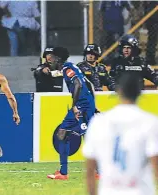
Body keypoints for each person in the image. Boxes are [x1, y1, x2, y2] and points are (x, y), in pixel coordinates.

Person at [83, 72, 158, 195]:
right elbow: (156, 165)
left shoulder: (99, 122)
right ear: (140, 93)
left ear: (119, 92)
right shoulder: (150, 122)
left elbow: (90, 169)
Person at [46, 47, 97, 180]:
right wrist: (93, 105)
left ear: (58, 58)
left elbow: (78, 84)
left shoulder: (67, 68)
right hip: (86, 104)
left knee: (86, 137)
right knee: (62, 133)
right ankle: (63, 173)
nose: (50, 59)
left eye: (53, 57)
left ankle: (99, 171)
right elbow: (89, 84)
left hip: (81, 106)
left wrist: (75, 106)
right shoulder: (72, 67)